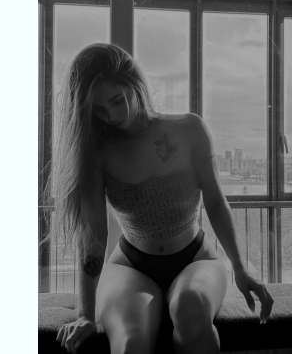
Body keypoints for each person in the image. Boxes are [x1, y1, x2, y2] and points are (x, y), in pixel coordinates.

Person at [44, 43, 274, 354]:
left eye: (116, 100)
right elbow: (93, 233)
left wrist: (240, 267)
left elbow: (216, 203)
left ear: (134, 83)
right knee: (131, 342)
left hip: (196, 259)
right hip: (130, 266)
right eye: (98, 110)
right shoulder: (99, 152)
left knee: (191, 309)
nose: (112, 116)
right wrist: (85, 314)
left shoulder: (190, 129)